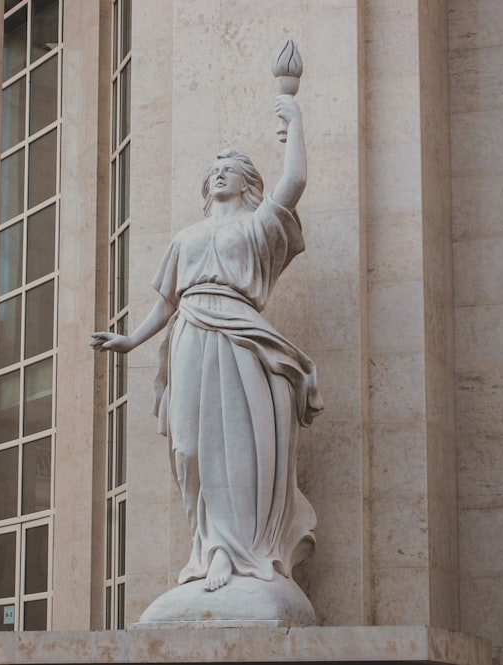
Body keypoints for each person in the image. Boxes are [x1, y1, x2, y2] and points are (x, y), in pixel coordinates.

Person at [91, 94, 322, 593]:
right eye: (214, 169)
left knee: (239, 446)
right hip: (191, 331)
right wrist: (131, 340)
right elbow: (168, 301)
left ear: (246, 182)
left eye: (231, 168)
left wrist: (295, 123)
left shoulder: (258, 226)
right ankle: (206, 544)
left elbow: (294, 182)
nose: (220, 174)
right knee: (189, 446)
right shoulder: (187, 237)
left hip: (241, 334)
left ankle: (229, 552)